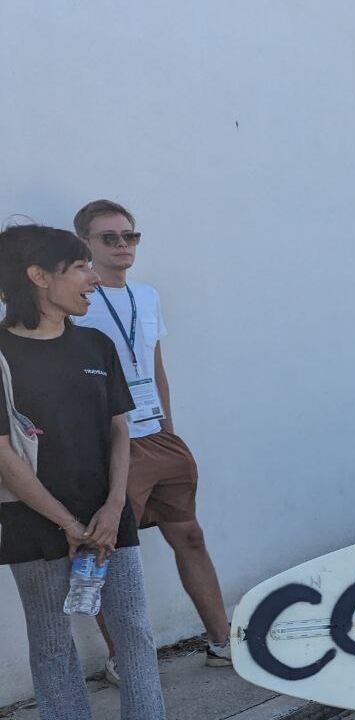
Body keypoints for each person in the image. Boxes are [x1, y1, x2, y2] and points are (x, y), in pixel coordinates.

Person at [0, 224, 166, 718]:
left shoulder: (96, 345)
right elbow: (4, 456)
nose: (93, 278)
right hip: (34, 522)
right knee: (52, 644)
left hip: (109, 517)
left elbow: (120, 430)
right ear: (37, 276)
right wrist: (69, 525)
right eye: (79, 267)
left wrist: (115, 507)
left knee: (134, 632)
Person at [71, 200, 231, 678]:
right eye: (109, 238)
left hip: (158, 437)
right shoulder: (77, 300)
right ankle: (123, 658)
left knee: (191, 536)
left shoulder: (147, 294)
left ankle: (222, 642)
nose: (123, 245)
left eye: (130, 236)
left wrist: (167, 425)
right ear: (86, 244)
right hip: (112, 446)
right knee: (110, 557)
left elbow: (153, 363)